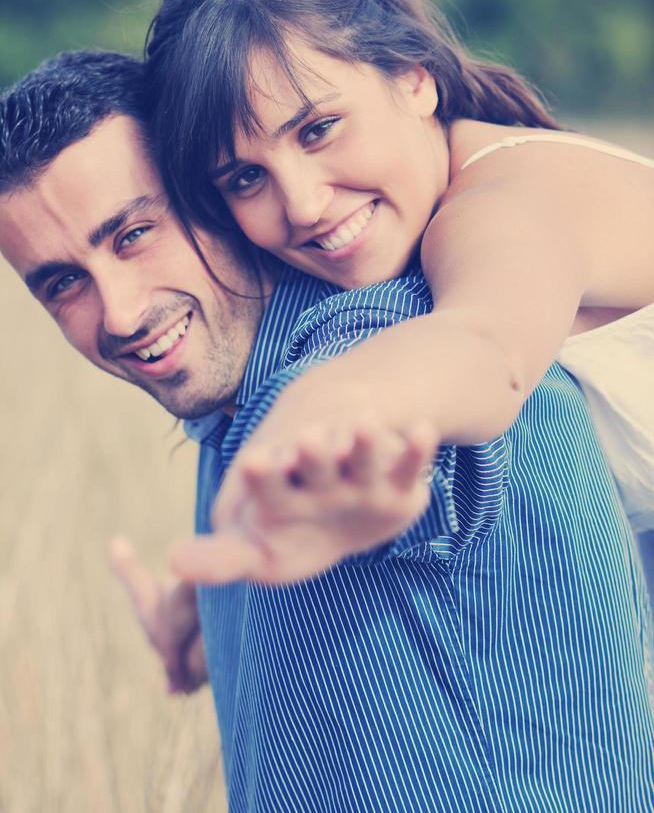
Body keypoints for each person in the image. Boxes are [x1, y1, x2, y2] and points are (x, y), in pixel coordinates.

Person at [2, 50, 652, 812]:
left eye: (134, 234)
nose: (117, 313)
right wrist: (222, 598)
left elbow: (410, 435)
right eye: (62, 283)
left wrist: (354, 456)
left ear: (216, 198)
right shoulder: (232, 406)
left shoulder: (386, 341)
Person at [141, 0, 654, 589]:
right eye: (244, 177)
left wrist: (323, 404)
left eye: (318, 129)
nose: (301, 204)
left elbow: (486, 347)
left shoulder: (502, 206)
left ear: (414, 80)